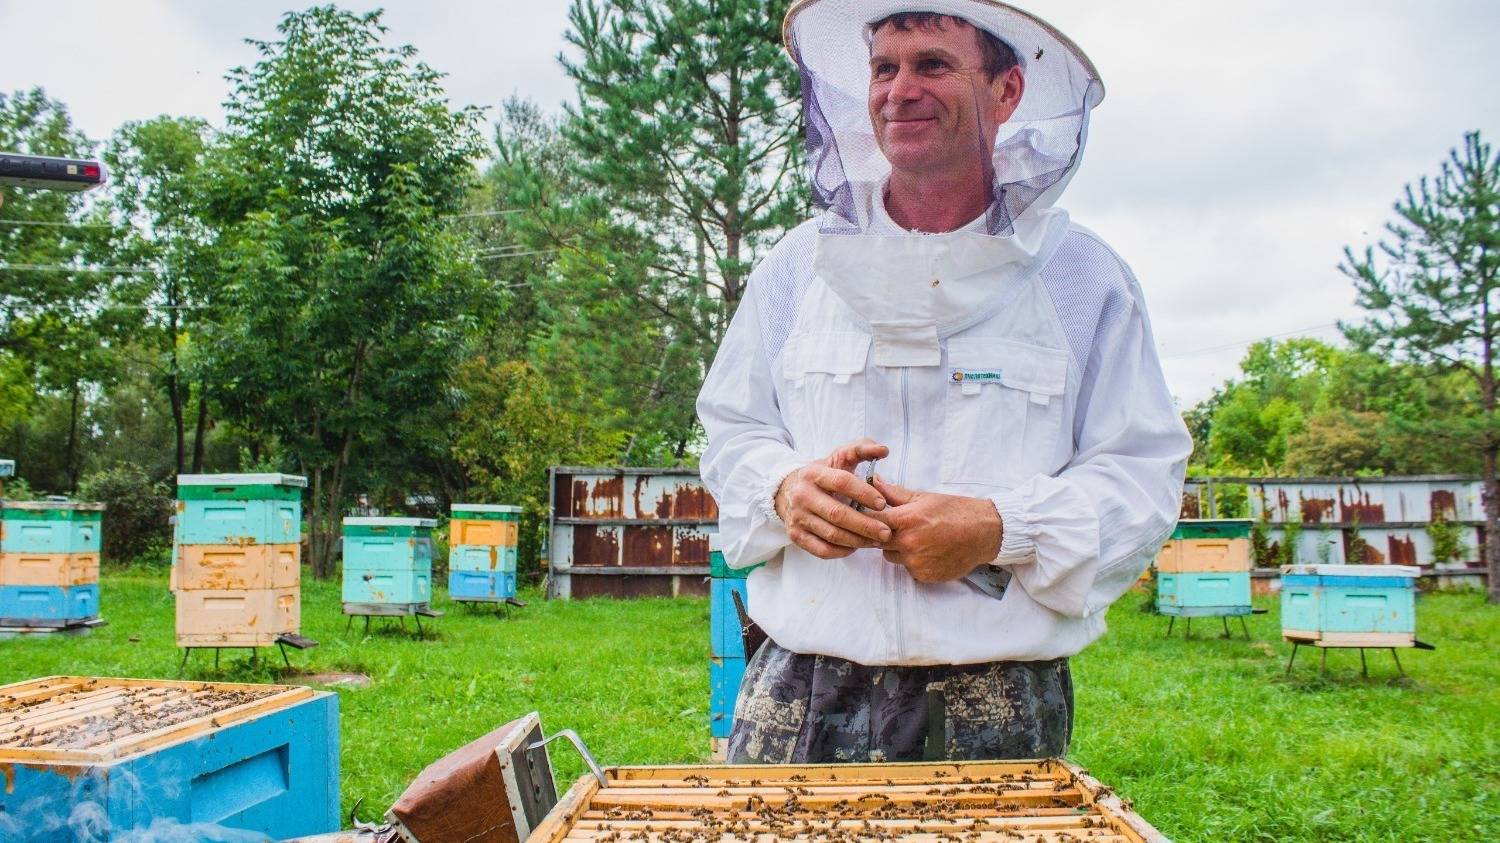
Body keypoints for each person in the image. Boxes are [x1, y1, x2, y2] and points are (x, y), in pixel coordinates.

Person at [697, 0, 1191, 764]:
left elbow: (1143, 476)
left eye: (932, 64)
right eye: (884, 68)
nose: (901, 90)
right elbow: (733, 430)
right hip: (798, 683)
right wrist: (783, 488)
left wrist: (1004, 527)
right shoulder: (798, 268)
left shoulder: (1081, 278)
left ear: (1006, 91)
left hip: (990, 693)